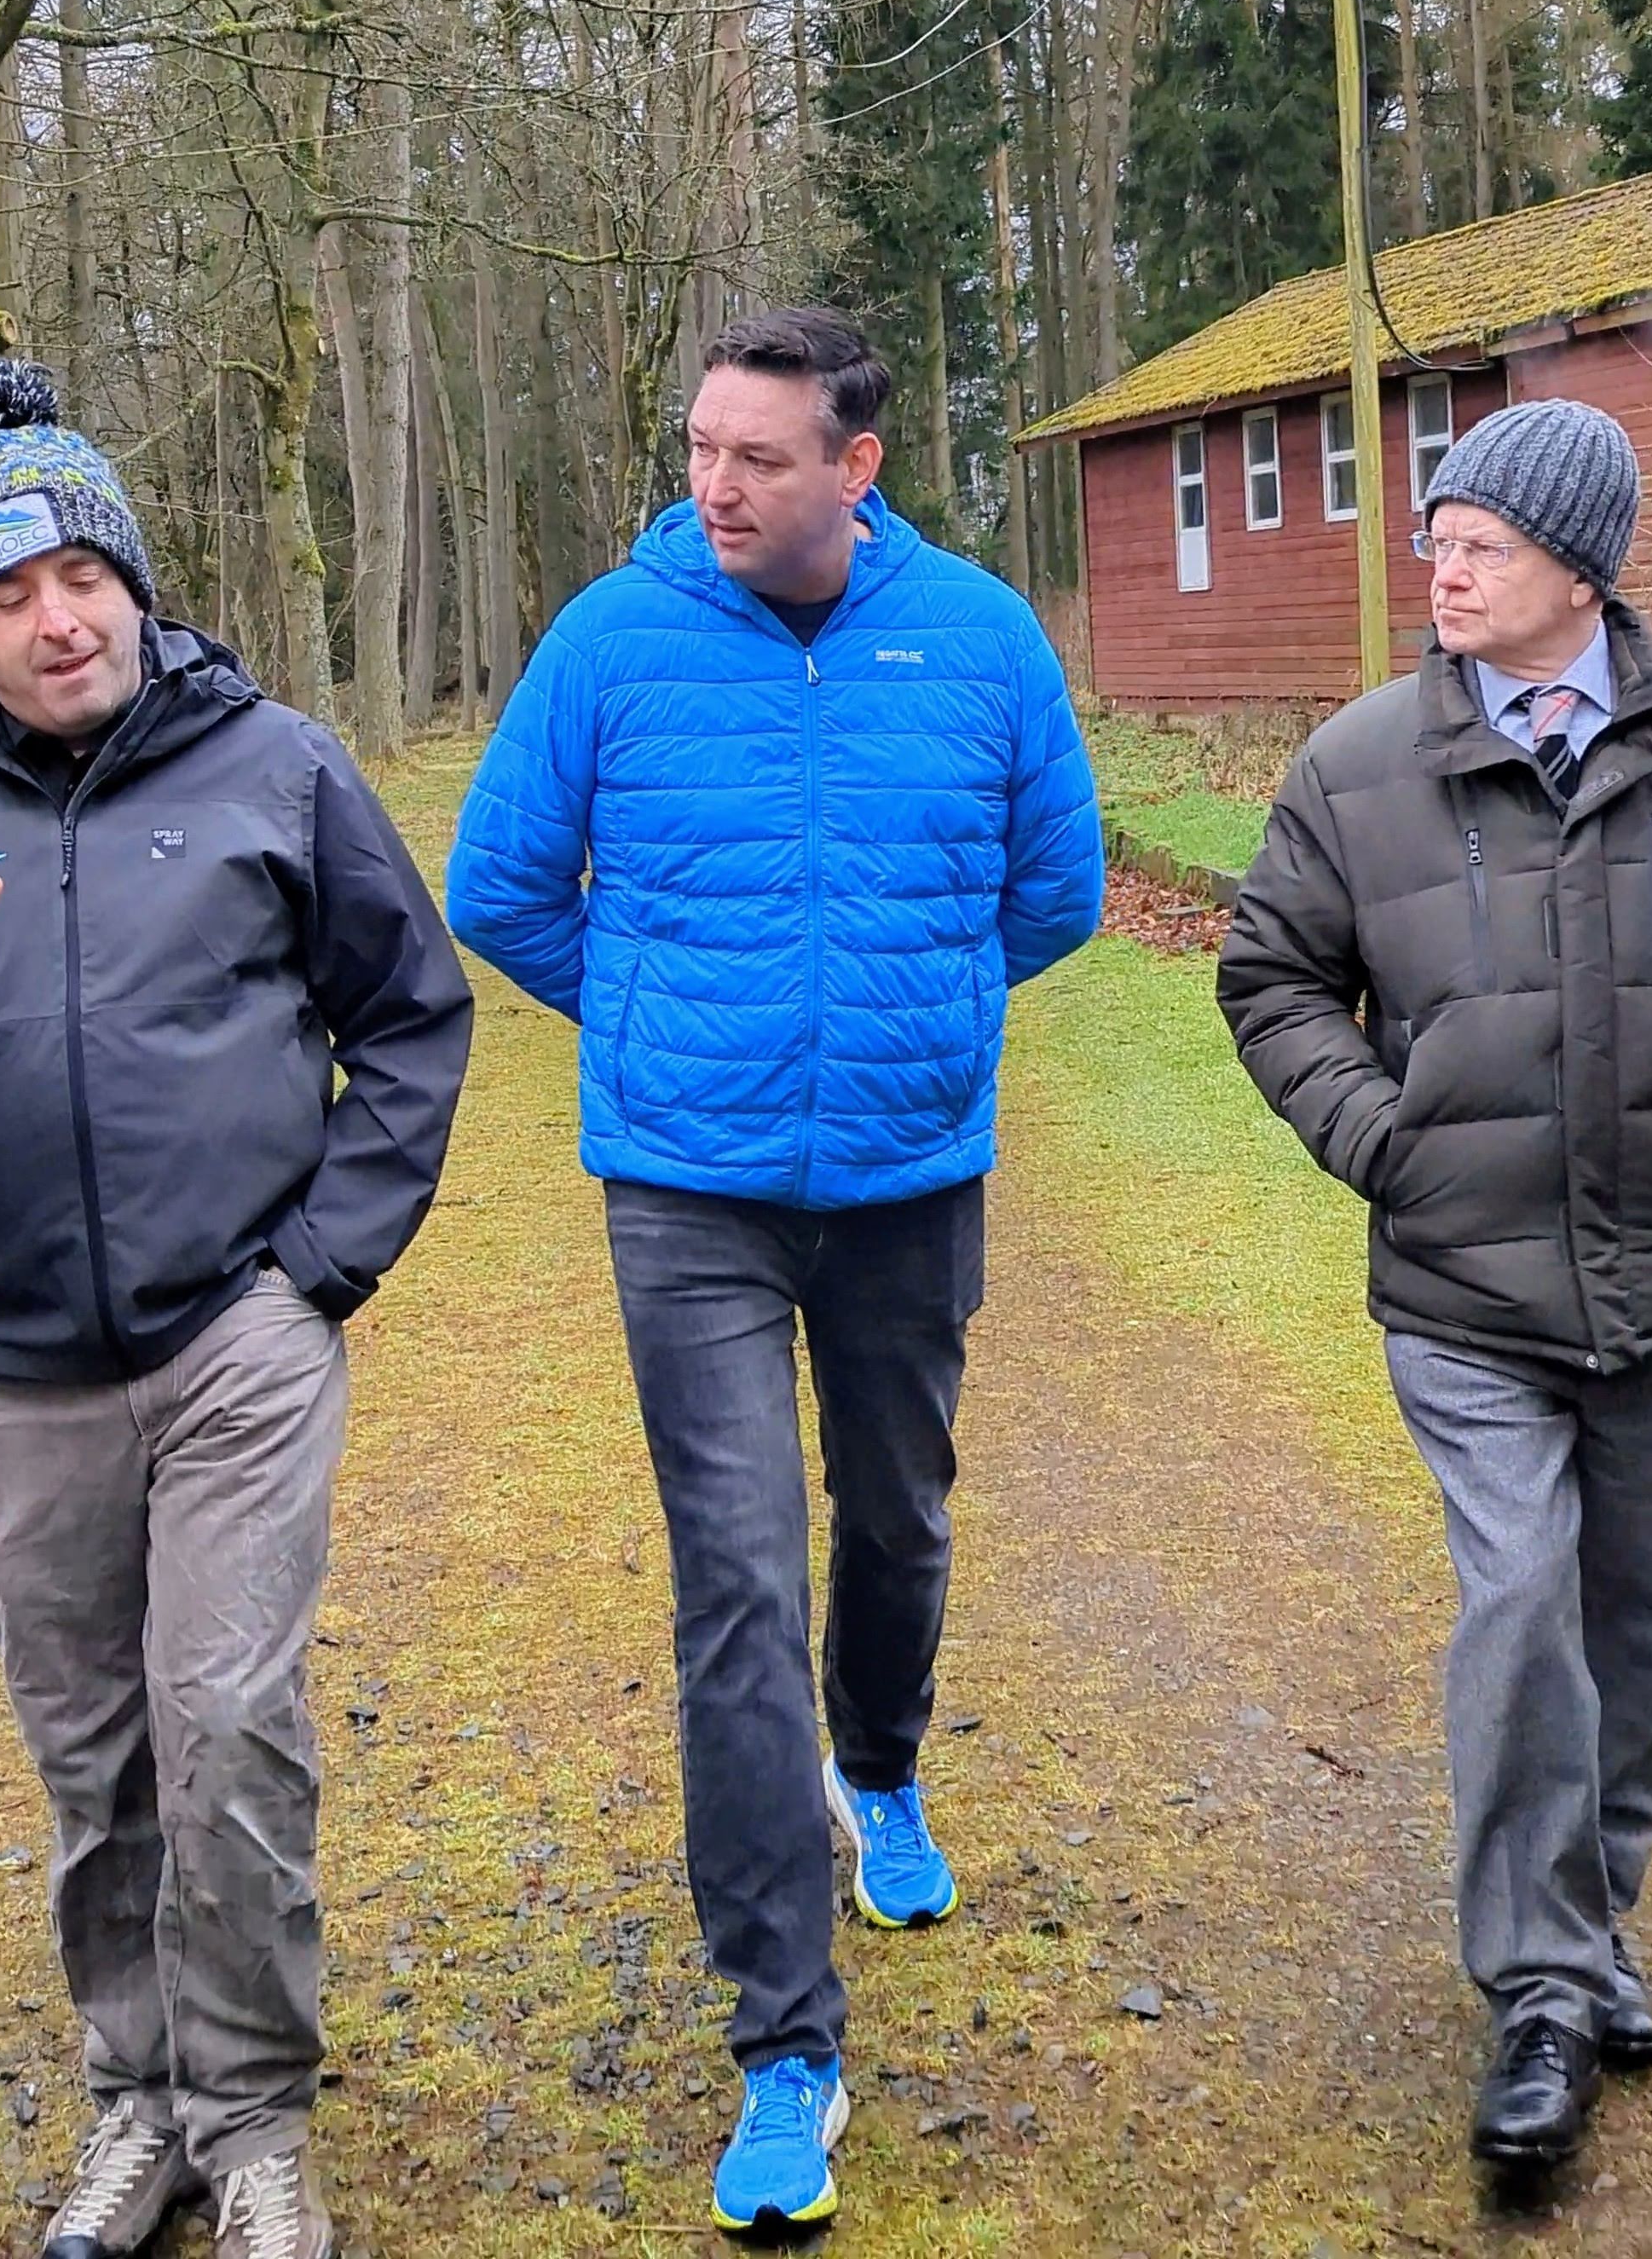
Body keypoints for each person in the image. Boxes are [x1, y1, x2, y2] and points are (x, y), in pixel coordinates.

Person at [447, 308, 1100, 2232]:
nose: (713, 485)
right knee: (734, 1580)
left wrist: (911, 1020)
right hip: (689, 1193)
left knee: (895, 1513)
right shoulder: (611, 638)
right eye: (698, 448)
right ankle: (784, 2047)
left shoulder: (978, 639)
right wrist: (660, 1017)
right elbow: (498, 883)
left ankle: (880, 1762)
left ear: (858, 466)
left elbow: (1052, 892)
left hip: (908, 1177)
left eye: (756, 456)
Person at [0, 360, 473, 2259]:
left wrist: (317, 1276)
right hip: (14, 1371)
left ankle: (258, 2119)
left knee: (226, 1729)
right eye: (9, 594)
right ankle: (140, 2107)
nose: (61, 620)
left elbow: (411, 1015)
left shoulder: (273, 766)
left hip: (234, 1339)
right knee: (96, 1765)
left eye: (83, 575)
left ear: (133, 569)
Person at [1217, 397, 1652, 2169]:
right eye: (1438, 534)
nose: (1439, 563)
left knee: (1628, 1624)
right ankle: (1540, 1991)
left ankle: (1587, 1922)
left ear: (1579, 569)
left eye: (1478, 541)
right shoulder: (1361, 766)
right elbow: (1269, 974)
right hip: (1467, 1290)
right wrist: (1383, 1136)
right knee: (1521, 1606)